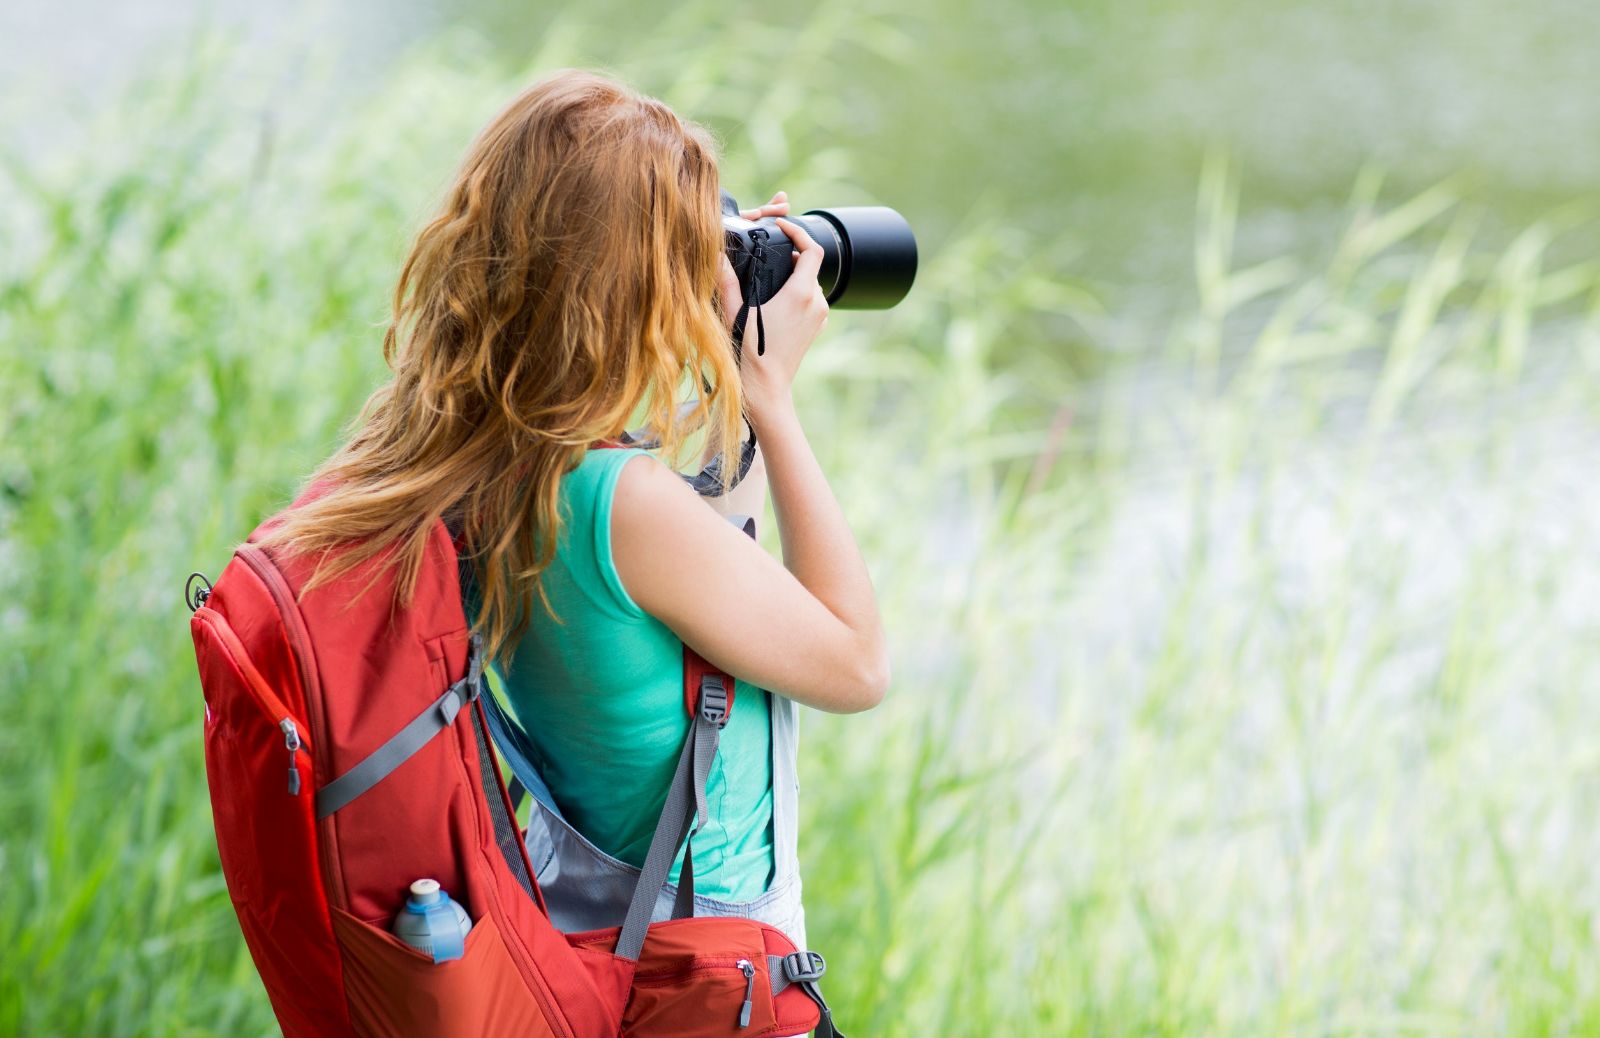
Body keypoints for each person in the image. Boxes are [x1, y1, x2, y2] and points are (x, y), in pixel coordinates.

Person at [258, 69, 889, 953]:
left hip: (598, 943)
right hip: (714, 970)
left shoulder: (482, 464)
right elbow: (858, 667)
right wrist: (773, 401)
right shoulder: (622, 504)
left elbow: (709, 576)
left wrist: (726, 372)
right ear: (629, 282)